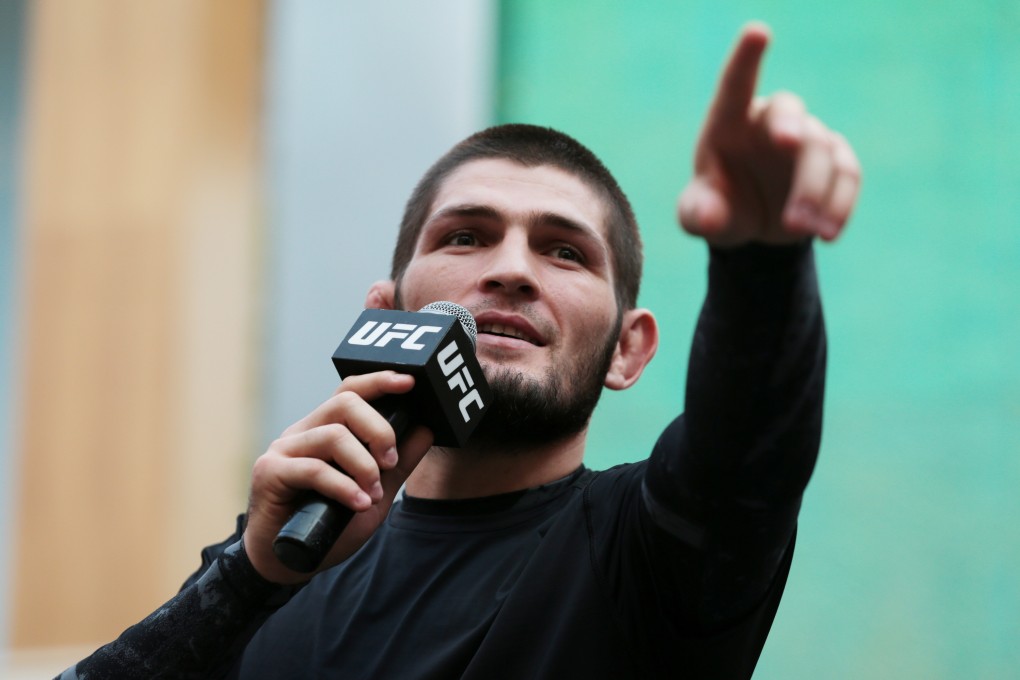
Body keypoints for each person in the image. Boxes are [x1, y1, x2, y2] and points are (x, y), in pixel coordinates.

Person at [60, 23, 860, 679]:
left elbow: (748, 447)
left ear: (628, 350)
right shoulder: (280, 564)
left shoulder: (649, 554)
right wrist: (247, 577)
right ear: (385, 309)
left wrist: (761, 258)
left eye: (565, 252)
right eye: (466, 236)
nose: (510, 270)